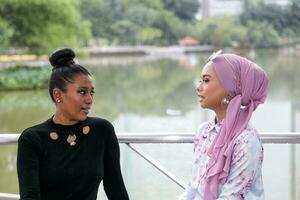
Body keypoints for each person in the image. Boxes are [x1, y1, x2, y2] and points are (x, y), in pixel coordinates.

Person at [17, 48, 130, 200]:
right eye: (82, 92)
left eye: (92, 92)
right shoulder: (32, 139)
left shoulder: (102, 130)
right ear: (58, 95)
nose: (89, 99)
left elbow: (116, 189)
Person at [181, 50, 268, 200]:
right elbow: (193, 187)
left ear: (229, 90)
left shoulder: (246, 140)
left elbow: (232, 196)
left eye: (206, 80)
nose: (199, 87)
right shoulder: (204, 131)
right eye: (200, 80)